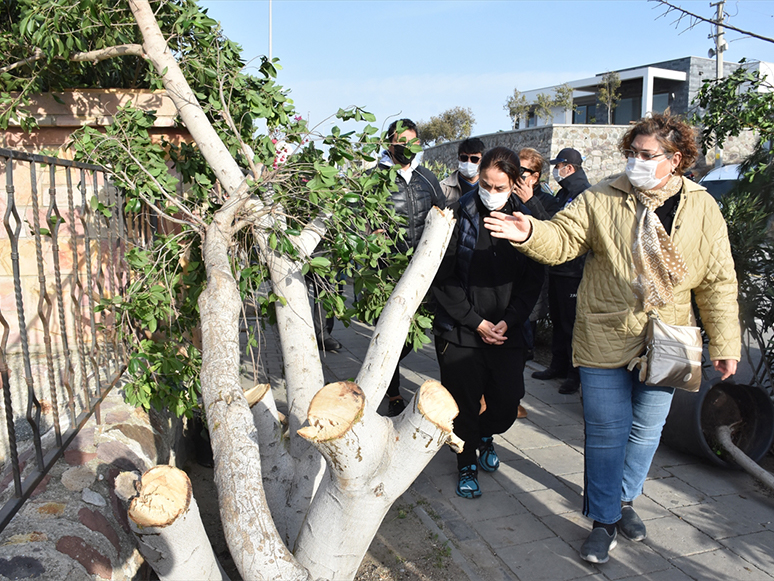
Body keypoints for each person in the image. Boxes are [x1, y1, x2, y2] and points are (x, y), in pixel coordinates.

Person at [483, 114, 740, 564]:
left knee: (646, 431)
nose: (636, 162)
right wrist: (528, 232)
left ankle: (623, 501)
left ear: (675, 159)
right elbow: (562, 238)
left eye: (647, 156)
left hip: (670, 337)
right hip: (605, 331)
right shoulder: (602, 196)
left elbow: (718, 280)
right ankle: (603, 521)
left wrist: (725, 343)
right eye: (631, 153)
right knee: (606, 431)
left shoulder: (702, 206)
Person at [432, 146, 544, 499]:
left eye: (500, 188)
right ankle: (465, 460)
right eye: (486, 185)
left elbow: (533, 282)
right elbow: (442, 278)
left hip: (507, 332)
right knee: (462, 404)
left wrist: (508, 323)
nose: (491, 194)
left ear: (514, 184)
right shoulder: (457, 214)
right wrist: (477, 322)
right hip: (462, 330)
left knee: (506, 403)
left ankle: (484, 435)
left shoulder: (526, 222)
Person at [377, 118, 446, 416]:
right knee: (392, 331)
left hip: (423, 270)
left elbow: (442, 214)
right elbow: (359, 220)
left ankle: (379, 370)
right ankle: (392, 392)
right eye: (401, 142)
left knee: (418, 331)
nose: (408, 148)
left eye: (413, 142)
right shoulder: (375, 178)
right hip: (388, 270)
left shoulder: (427, 178)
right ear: (389, 142)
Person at [530, 147, 590, 395]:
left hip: (573, 271)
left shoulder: (582, 193)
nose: (556, 171)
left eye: (559, 166)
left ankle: (574, 374)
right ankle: (558, 365)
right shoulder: (565, 191)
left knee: (571, 325)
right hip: (558, 268)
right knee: (558, 321)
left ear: (570, 168)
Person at [440, 138, 486, 205]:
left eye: (474, 159)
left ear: (481, 160)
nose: (468, 162)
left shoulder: (489, 186)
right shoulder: (444, 188)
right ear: (459, 158)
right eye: (464, 158)